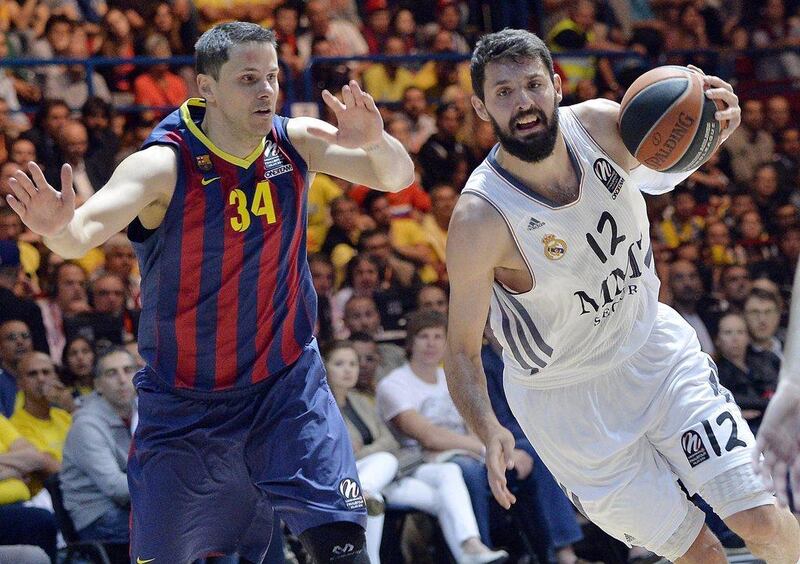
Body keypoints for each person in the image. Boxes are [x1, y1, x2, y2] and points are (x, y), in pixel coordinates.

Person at [5, 21, 414, 564]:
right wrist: (54, 226)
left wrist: (377, 141)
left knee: (342, 549)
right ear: (206, 88)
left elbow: (396, 175)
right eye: (248, 78)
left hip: (286, 386)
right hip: (185, 403)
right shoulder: (162, 164)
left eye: (271, 76)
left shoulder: (295, 142)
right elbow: (79, 236)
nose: (266, 90)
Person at [444, 28, 800, 564]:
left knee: (760, 519)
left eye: (533, 84)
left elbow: (663, 167)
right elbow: (460, 348)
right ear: (480, 106)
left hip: (653, 353)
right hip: (567, 404)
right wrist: (488, 427)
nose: (523, 103)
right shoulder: (479, 218)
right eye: (503, 92)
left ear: (557, 86)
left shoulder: (603, 125)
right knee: (699, 553)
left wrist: (709, 132)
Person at [755, 264, 800, 510]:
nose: (762, 319)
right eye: (755, 312)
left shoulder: (789, 342)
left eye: (768, 311)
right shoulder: (749, 358)